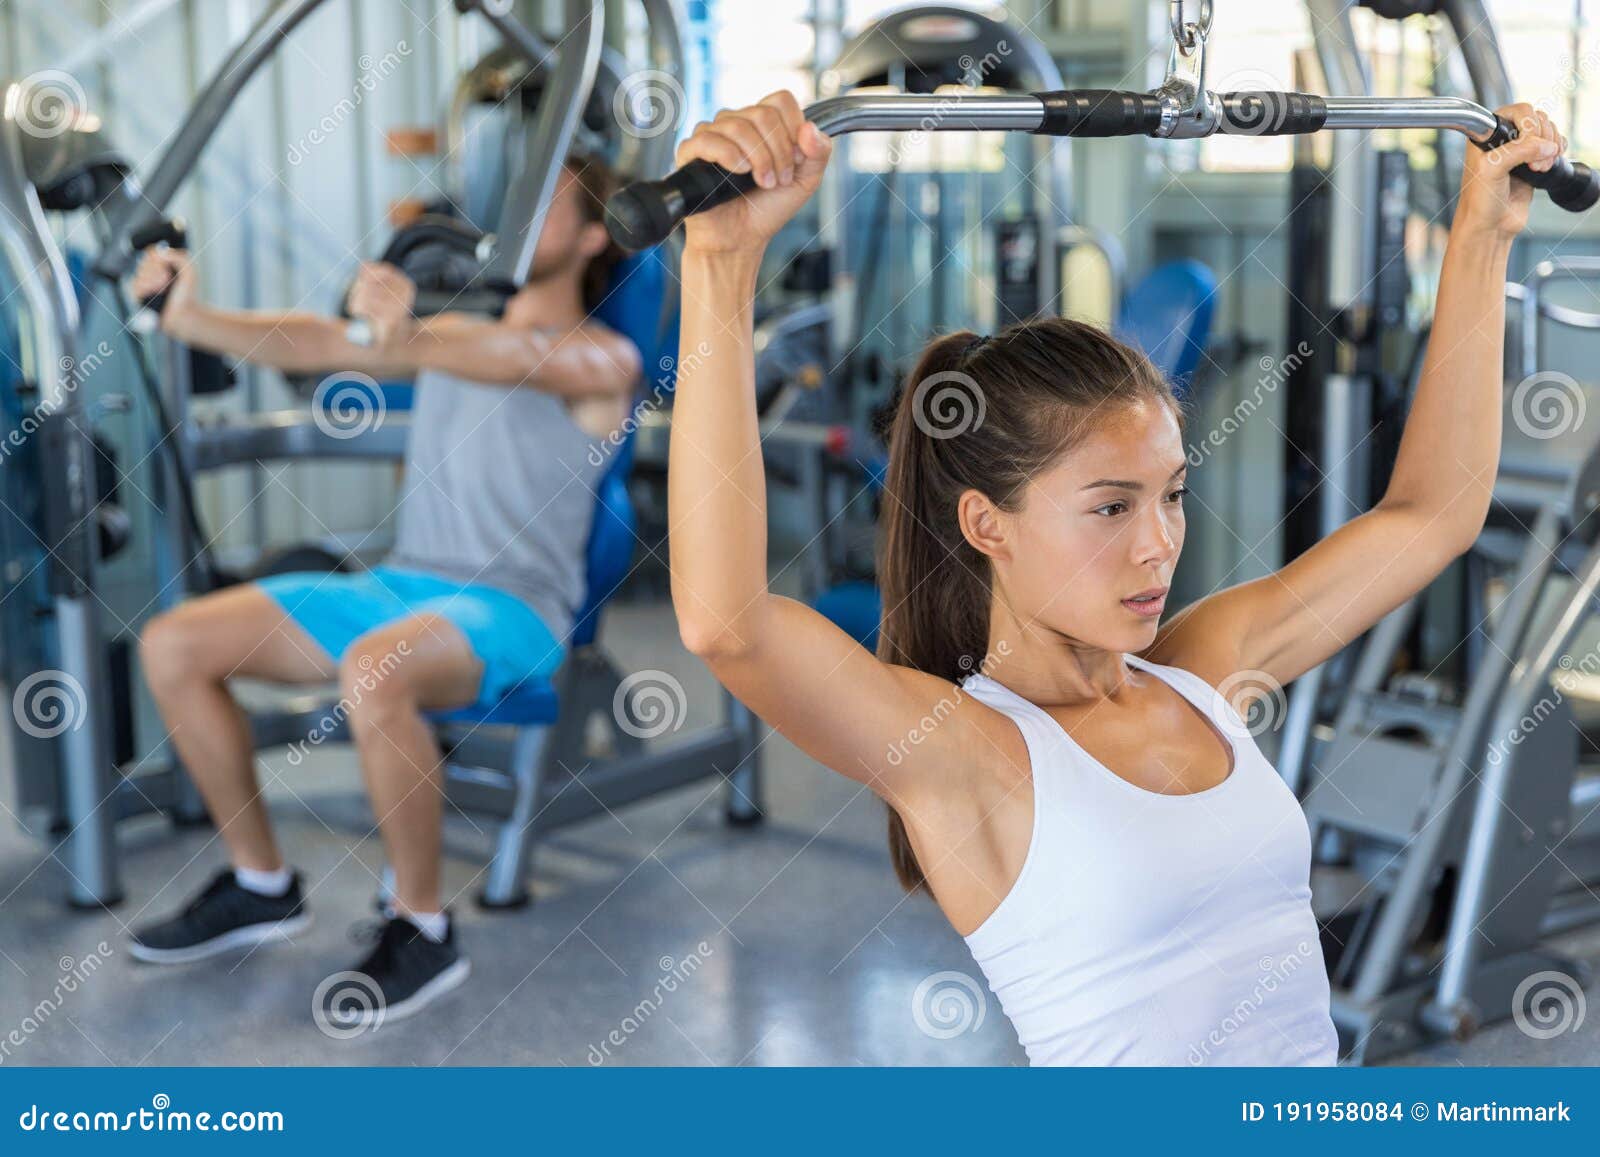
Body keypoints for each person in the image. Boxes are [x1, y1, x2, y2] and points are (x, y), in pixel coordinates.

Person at [665, 91, 1566, 1064]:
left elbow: (1429, 515)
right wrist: (721, 266)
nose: (1157, 544)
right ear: (985, 523)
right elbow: (729, 625)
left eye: (1171, 495)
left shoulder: (1202, 673)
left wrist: (1481, 234)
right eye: (1109, 507)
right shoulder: (968, 752)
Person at [124, 154, 641, 1025]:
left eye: (545, 200)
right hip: (402, 584)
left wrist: (401, 333)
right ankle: (261, 883)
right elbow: (315, 341)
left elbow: (522, 353)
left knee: (373, 668)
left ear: (596, 234)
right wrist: (185, 314)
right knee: (173, 644)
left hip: (511, 608)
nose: (515, 210)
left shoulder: (604, 356)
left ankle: (424, 925)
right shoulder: (450, 336)